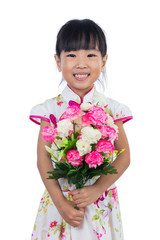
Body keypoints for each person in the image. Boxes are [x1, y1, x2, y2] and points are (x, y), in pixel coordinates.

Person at [29, 19, 133, 240]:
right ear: (58, 61)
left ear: (104, 61)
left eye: (91, 55)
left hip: (99, 202)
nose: (81, 63)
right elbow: (43, 159)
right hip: (62, 201)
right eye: (72, 55)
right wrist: (61, 204)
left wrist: (96, 189)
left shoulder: (111, 109)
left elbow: (124, 156)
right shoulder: (50, 109)